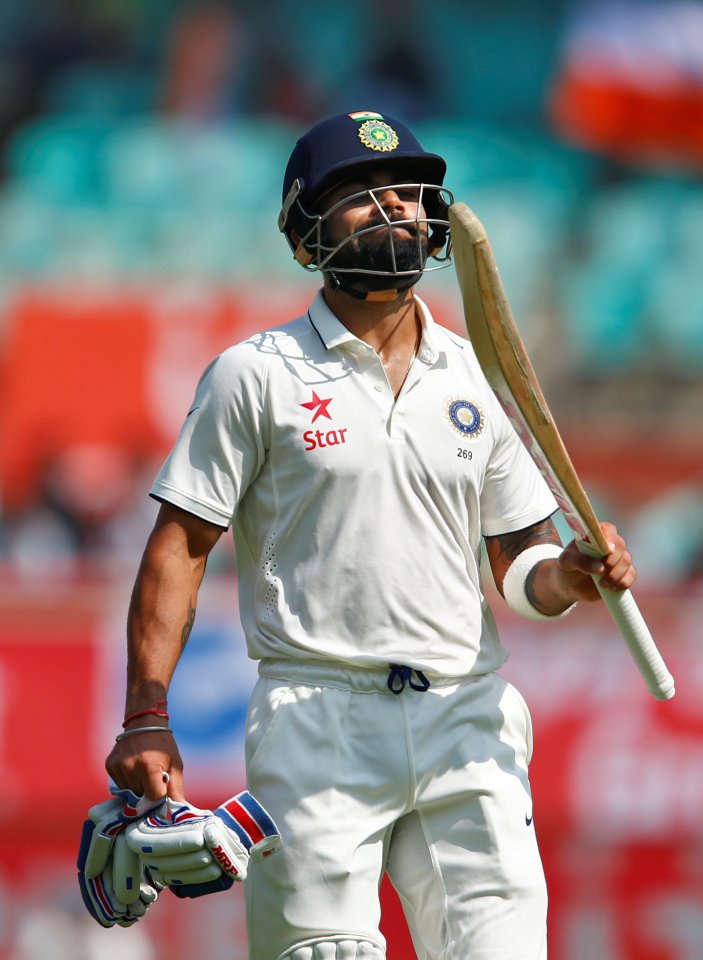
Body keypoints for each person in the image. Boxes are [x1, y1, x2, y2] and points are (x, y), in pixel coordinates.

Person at [106, 111, 637, 960]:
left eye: (404, 192)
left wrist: (568, 577)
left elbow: (518, 566)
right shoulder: (256, 374)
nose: (391, 208)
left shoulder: (477, 371)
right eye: (358, 195)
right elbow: (181, 546)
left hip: (467, 714)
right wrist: (144, 717)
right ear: (304, 235)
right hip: (318, 714)